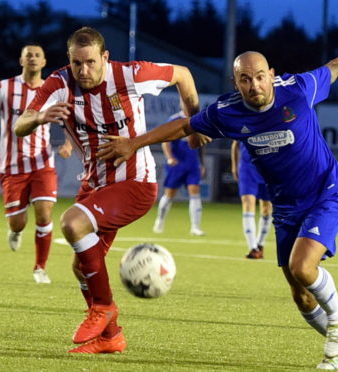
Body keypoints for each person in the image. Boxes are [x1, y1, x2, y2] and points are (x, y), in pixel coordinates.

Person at [97, 26, 338, 369]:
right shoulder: (227, 111)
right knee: (300, 295)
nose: (255, 86)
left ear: (272, 75)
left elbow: (337, 66)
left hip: (326, 191)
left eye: (261, 77)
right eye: (246, 79)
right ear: (237, 83)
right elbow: (185, 127)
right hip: (285, 205)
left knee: (302, 266)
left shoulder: (299, 89)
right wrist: (134, 143)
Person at [14, 27, 200, 354]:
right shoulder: (58, 83)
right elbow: (20, 124)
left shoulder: (131, 75)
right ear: (68, 61)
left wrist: (196, 126)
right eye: (76, 63)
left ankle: (103, 308)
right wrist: (41, 117)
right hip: (96, 184)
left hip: (135, 182)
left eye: (89, 63)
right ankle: (111, 336)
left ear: (105, 58)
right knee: (81, 265)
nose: (83, 71)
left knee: (73, 223)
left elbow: (183, 74)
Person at [0, 44, 72, 284]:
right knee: (18, 222)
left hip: (42, 162)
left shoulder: (53, 91)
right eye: (29, 55)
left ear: (44, 61)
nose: (33, 58)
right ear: (21, 60)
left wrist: (69, 143)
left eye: (37, 55)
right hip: (11, 166)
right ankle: (15, 230)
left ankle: (40, 268)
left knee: (44, 212)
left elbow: (68, 120)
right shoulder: (6, 87)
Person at [153, 110, 206, 236]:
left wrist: (202, 163)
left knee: (195, 192)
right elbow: (165, 140)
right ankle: (160, 220)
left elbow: (202, 142)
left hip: (193, 163)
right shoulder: (174, 120)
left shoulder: (199, 119)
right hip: (177, 163)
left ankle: (195, 227)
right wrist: (169, 157)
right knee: (170, 194)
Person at [231, 140, 272, 259]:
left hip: (267, 169)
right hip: (246, 168)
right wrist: (234, 166)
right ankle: (253, 248)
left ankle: (260, 244)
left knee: (267, 207)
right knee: (248, 204)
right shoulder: (243, 121)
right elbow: (235, 144)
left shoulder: (273, 124)